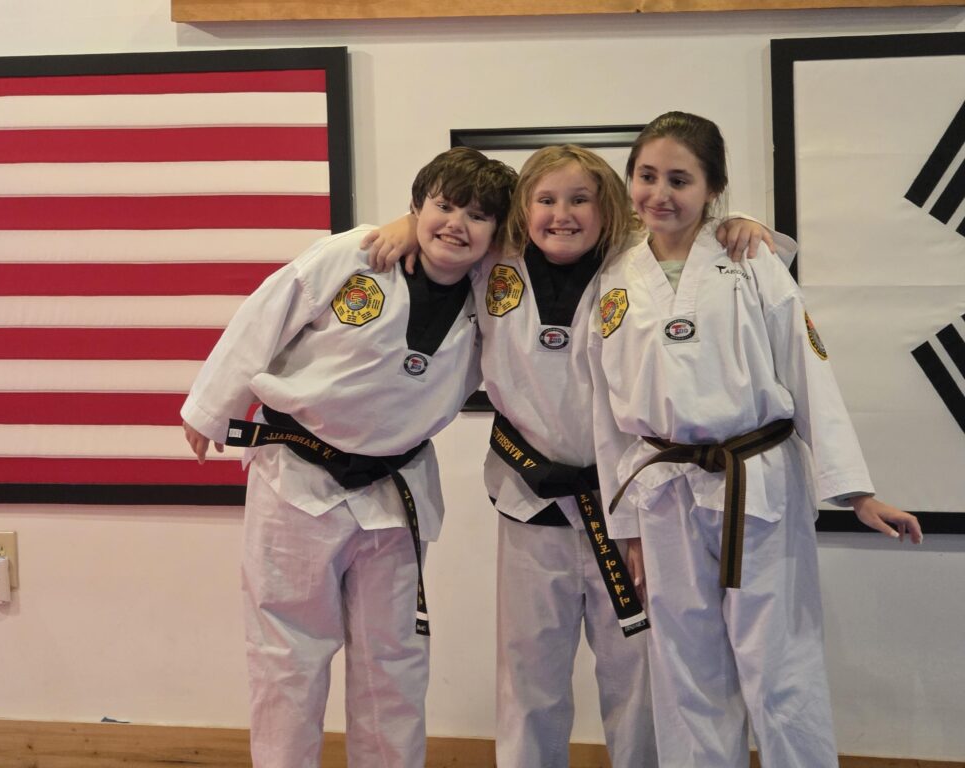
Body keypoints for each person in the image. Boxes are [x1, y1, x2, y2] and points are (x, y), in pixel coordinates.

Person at [362, 143, 790, 767]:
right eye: (546, 200)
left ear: (608, 207)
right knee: (528, 673)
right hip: (530, 500)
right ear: (523, 210)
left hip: (630, 509)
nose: (562, 214)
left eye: (580, 200)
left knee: (638, 675)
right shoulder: (496, 261)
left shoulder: (637, 262)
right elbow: (445, 235)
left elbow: (702, 242)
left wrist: (740, 223)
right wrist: (405, 224)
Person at [589, 111, 923, 768]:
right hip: (662, 490)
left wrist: (856, 492)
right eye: (647, 176)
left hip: (758, 480)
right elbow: (606, 415)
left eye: (679, 180)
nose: (660, 193)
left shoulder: (750, 260)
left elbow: (808, 367)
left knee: (780, 664)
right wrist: (624, 525)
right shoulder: (614, 277)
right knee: (684, 668)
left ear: (712, 189)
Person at [180, 147, 518, 768]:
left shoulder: (494, 291)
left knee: (394, 659)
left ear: (497, 232)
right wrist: (211, 406)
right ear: (416, 206)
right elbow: (267, 312)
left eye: (477, 216)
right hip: (296, 478)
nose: (456, 225)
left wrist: (414, 224)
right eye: (443, 207)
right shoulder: (356, 255)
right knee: (287, 653)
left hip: (394, 488)